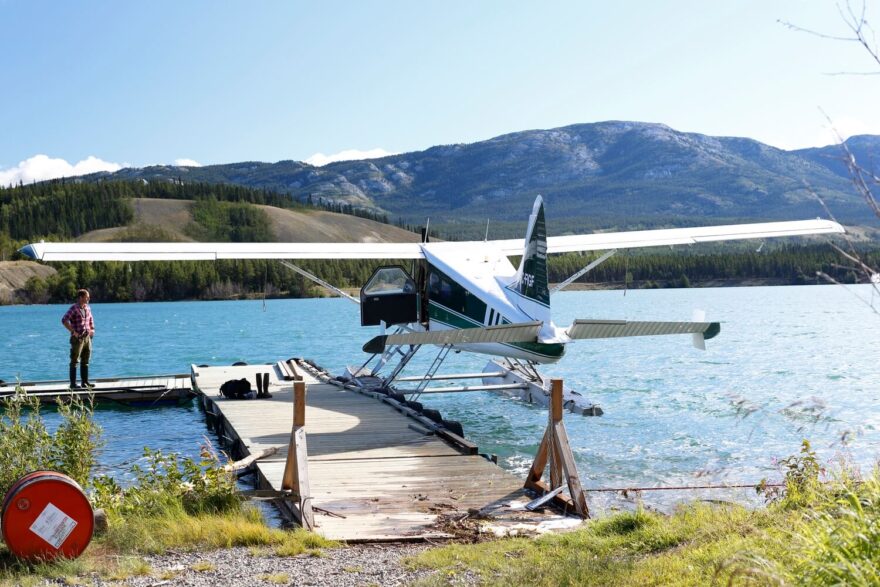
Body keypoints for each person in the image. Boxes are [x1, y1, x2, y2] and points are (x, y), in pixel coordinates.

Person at [62, 289, 95, 389]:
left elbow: (91, 320)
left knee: (86, 360)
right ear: (81, 297)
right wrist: (73, 332)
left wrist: (92, 330)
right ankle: (73, 384)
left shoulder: (87, 308)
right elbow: (64, 320)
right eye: (87, 297)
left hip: (87, 338)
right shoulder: (74, 308)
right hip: (77, 339)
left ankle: (85, 383)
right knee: (75, 361)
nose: (88, 298)